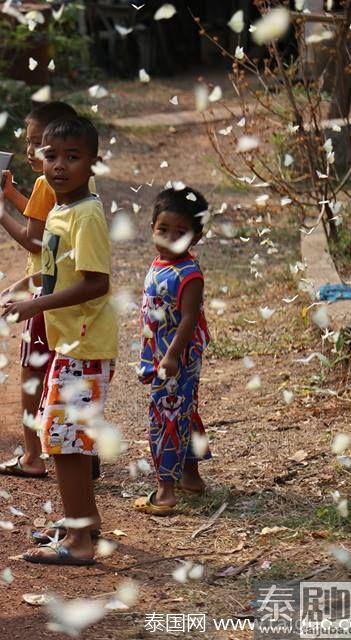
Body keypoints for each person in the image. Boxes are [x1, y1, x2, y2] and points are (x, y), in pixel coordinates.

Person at [2, 117, 117, 565]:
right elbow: (55, 270)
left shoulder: (86, 214)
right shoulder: (61, 211)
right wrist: (25, 287)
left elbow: (96, 284)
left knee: (66, 443)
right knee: (65, 438)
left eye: (73, 157)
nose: (60, 166)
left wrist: (37, 306)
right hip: (71, 344)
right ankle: (79, 524)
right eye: (52, 156)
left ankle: (80, 543)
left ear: (93, 164)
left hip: (84, 346)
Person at [0, 101, 97, 480]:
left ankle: (32, 454)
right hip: (60, 291)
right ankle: (81, 449)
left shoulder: (49, 183)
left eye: (37, 144)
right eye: (29, 143)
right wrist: (12, 195)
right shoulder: (77, 184)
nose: (30, 152)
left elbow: (34, 239)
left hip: (48, 297)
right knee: (65, 374)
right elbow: (44, 222)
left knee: (35, 373)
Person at [134, 187, 212, 516]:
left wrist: (172, 356)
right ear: (152, 226)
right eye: (163, 230)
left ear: (197, 236)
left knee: (165, 418)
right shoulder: (161, 263)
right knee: (182, 414)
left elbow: (190, 319)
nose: (169, 238)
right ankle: (191, 478)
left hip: (176, 359)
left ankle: (165, 491)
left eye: (180, 233)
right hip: (163, 354)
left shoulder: (188, 275)